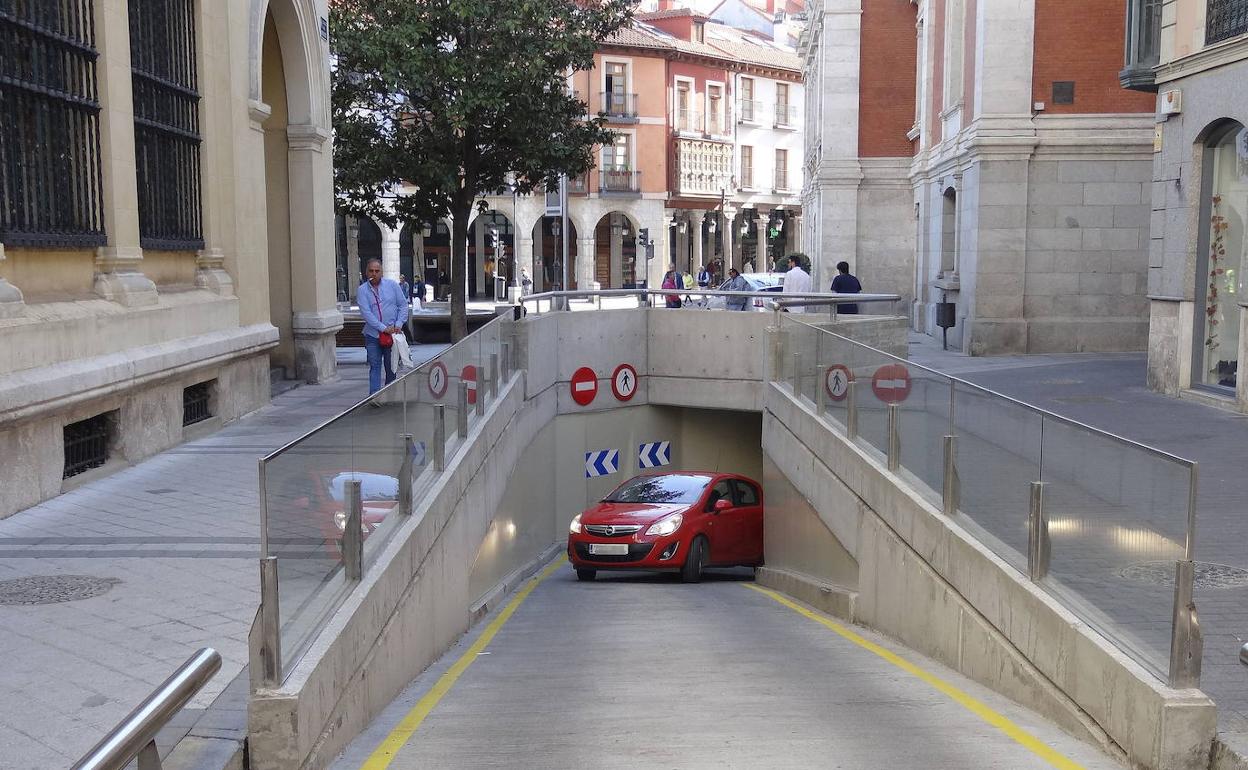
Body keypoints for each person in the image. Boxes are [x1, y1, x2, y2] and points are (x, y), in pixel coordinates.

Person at [358, 259, 409, 395]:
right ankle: (374, 396)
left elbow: (403, 305)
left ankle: (389, 394)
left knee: (391, 367)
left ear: (382, 272)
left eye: (377, 271)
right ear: (366, 272)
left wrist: (398, 324)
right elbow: (366, 314)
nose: (374, 274)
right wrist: (382, 328)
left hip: (392, 335)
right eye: (371, 271)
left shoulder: (392, 286)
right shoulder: (362, 291)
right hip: (373, 335)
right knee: (375, 366)